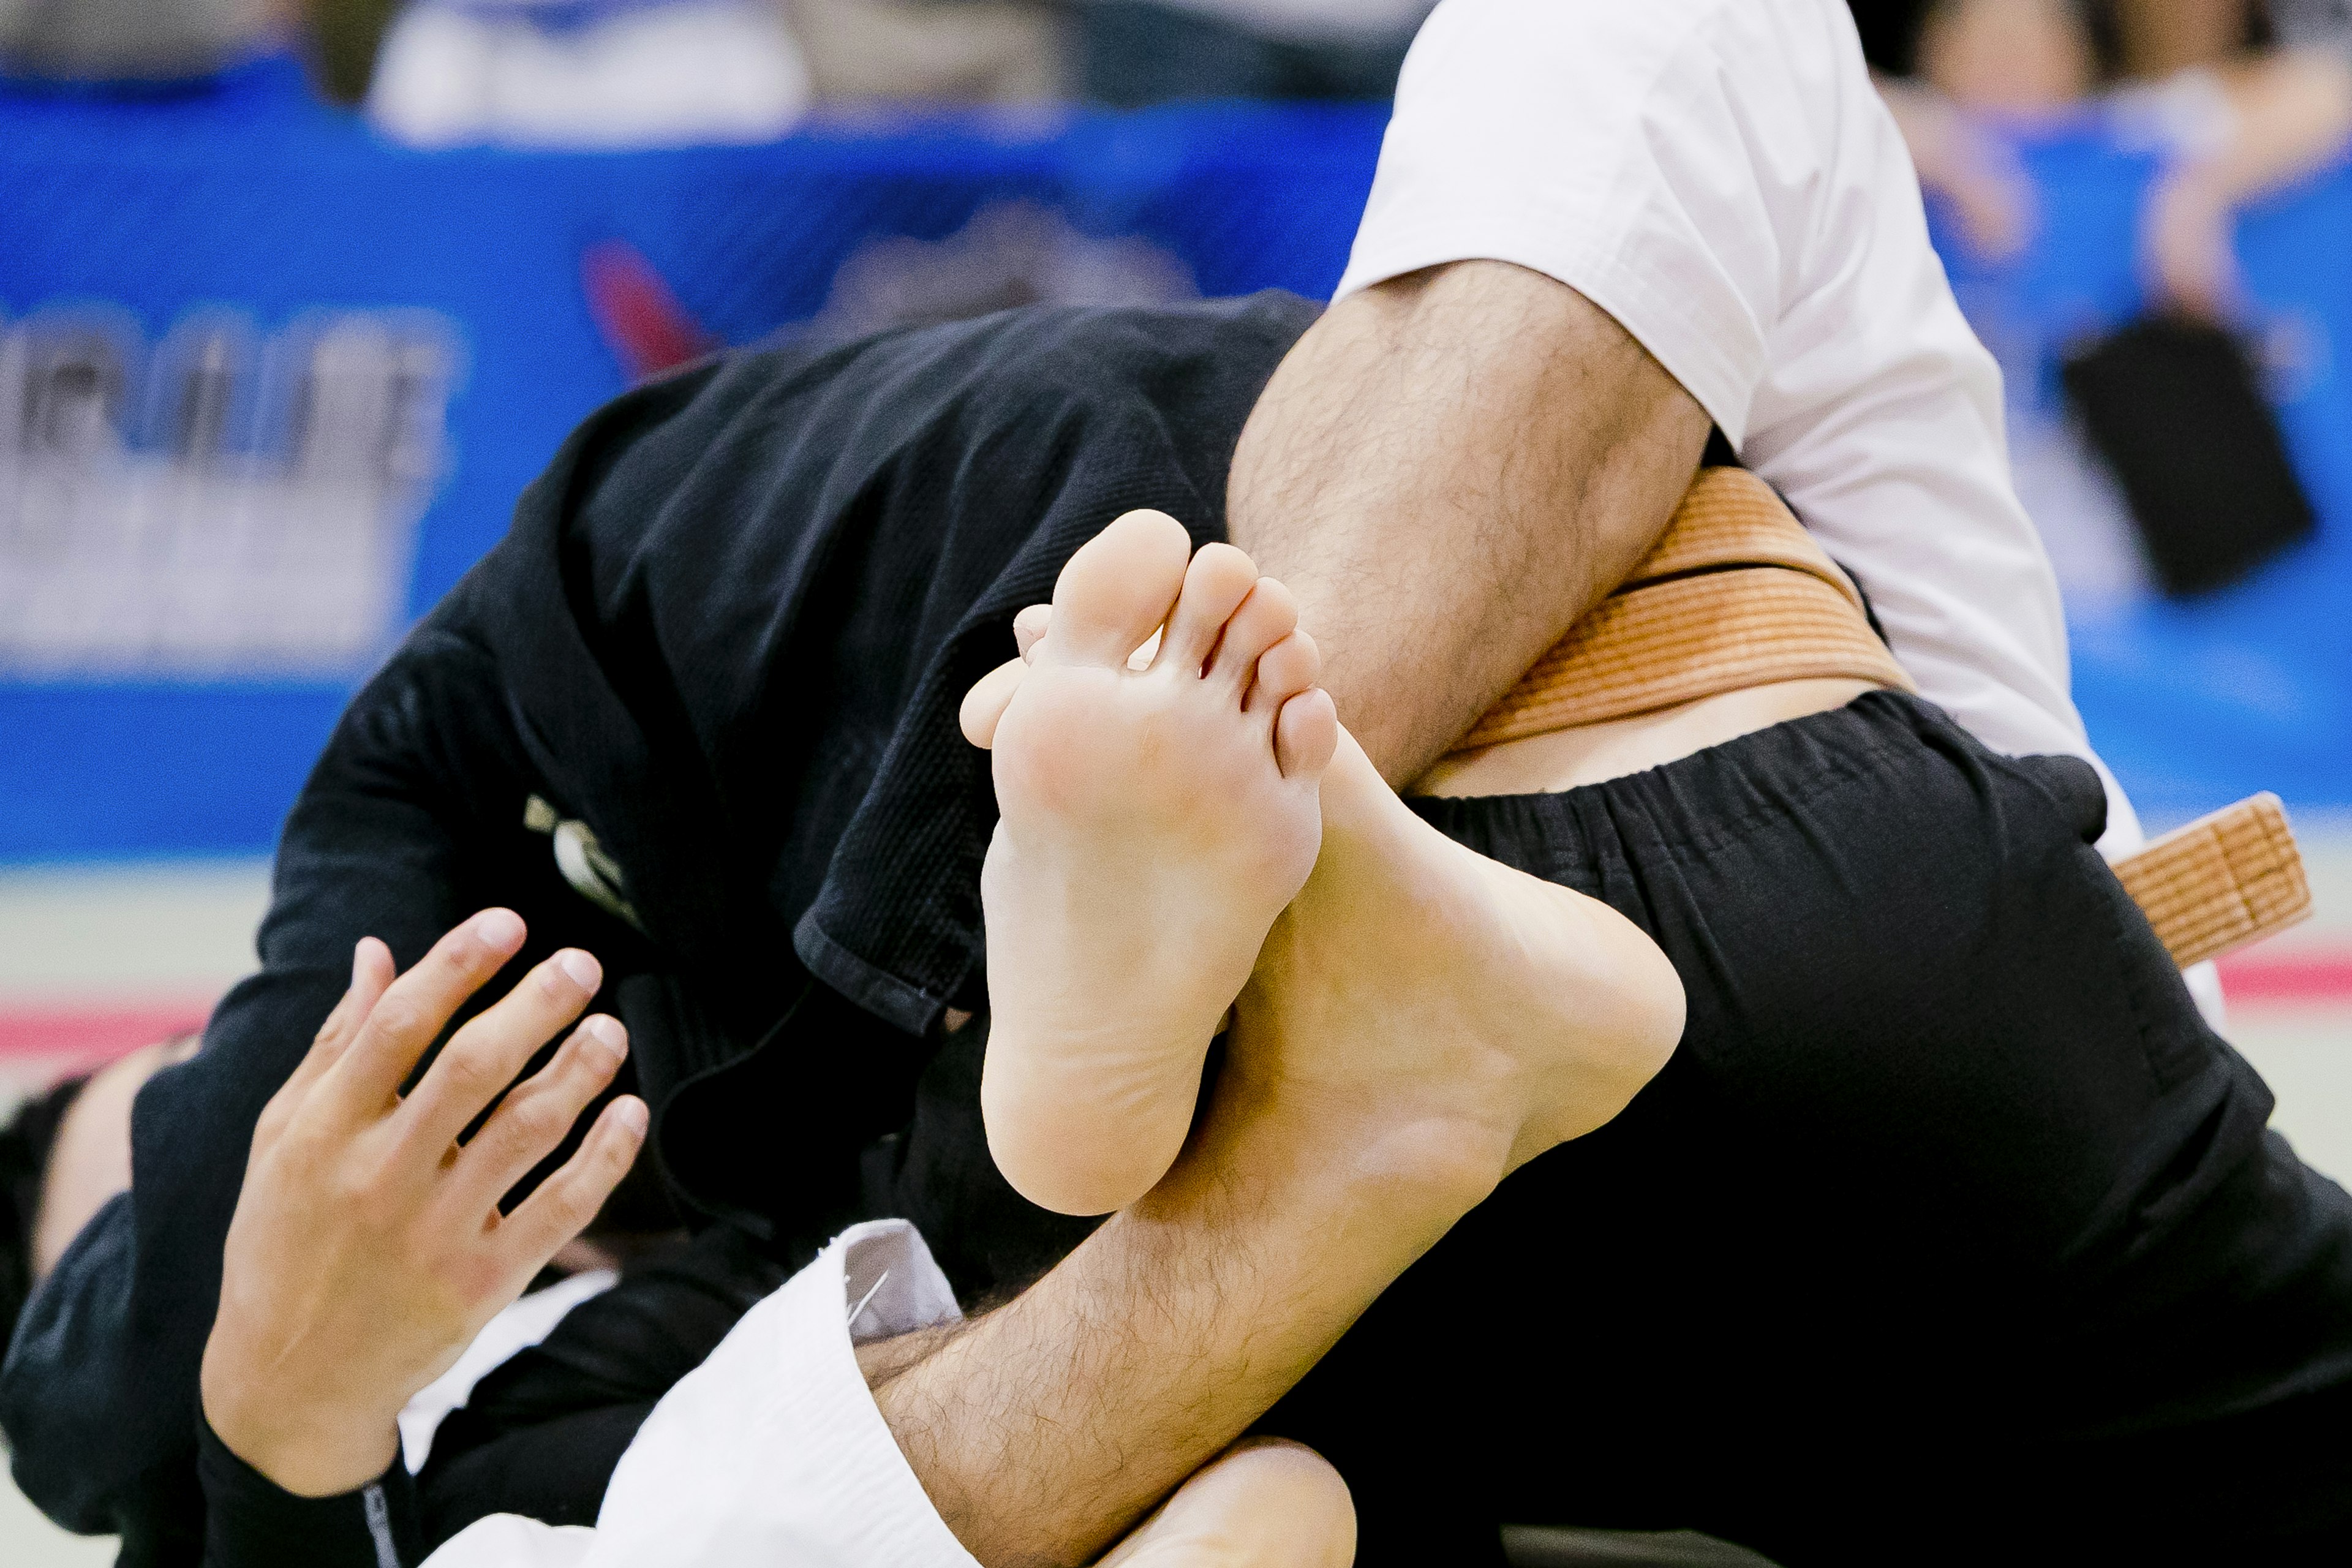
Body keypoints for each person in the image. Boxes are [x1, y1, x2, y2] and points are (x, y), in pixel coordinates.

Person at [12, 0, 2352, 1556]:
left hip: (1748, 923)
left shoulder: (504, 787)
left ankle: (1259, 908)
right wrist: (274, 1419)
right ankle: (1238, 955)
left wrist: (254, 1403)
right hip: (1818, 988)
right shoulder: (562, 1383)